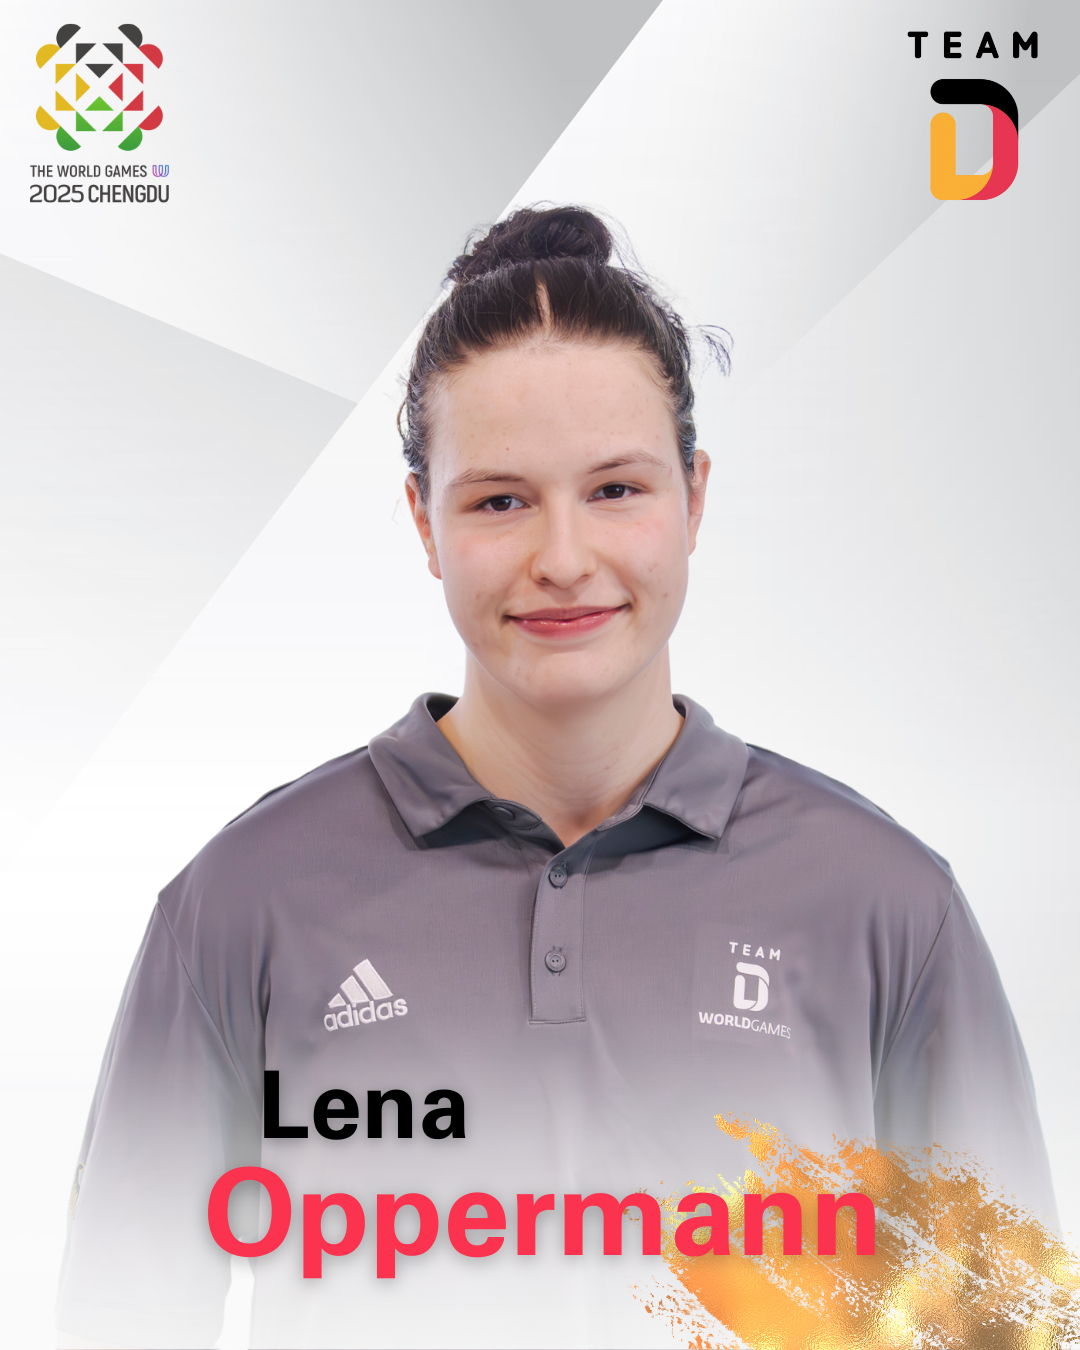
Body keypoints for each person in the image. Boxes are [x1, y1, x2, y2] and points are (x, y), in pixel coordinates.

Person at [56, 207, 1055, 1350]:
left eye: (617, 490)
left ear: (695, 496)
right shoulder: (238, 907)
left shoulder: (888, 906)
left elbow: (1002, 1330)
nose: (564, 557)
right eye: (498, 500)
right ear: (424, 524)